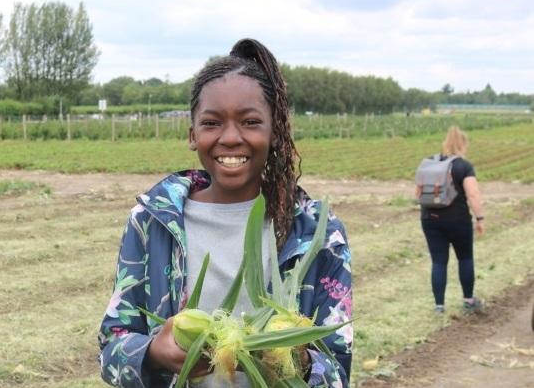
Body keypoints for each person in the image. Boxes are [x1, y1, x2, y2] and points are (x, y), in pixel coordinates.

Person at [98, 38, 352, 387]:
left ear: (275, 132)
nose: (230, 138)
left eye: (249, 122)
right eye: (212, 123)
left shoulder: (316, 233)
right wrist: (153, 353)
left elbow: (339, 368)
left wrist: (301, 360)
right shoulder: (153, 223)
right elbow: (111, 349)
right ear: (192, 134)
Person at [419, 126, 485, 314]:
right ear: (462, 144)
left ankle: (439, 306)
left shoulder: (429, 162)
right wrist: (480, 218)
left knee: (438, 262)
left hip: (430, 219)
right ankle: (468, 301)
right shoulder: (464, 166)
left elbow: (418, 192)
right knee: (465, 258)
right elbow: (473, 194)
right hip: (458, 220)